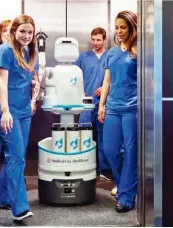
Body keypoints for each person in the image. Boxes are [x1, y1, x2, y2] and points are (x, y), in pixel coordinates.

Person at [0, 14, 38, 221]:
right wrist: (5, 111)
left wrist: (32, 96)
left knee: (15, 157)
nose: (27, 35)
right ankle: (19, 208)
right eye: (23, 31)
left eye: (30, 32)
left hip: (23, 112)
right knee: (17, 157)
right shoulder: (5, 51)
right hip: (8, 113)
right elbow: (1, 83)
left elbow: (32, 79)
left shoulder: (27, 51)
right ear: (14, 31)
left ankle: (1, 197)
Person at [98, 10, 137, 213]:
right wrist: (101, 104)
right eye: (117, 27)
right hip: (113, 107)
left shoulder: (138, 51)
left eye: (123, 27)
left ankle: (127, 197)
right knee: (110, 149)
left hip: (133, 108)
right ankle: (125, 186)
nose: (119, 31)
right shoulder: (112, 52)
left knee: (131, 152)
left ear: (131, 28)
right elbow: (107, 80)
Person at [74, 27, 112, 181]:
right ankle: (84, 165)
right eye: (93, 39)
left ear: (104, 40)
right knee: (84, 134)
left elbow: (114, 77)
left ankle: (104, 169)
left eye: (98, 40)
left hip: (105, 103)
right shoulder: (83, 57)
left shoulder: (110, 56)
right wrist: (79, 92)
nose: (95, 43)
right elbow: (75, 77)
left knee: (104, 136)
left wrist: (104, 88)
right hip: (86, 103)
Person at [0, 19, 12, 178]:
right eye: (6, 31)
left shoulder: (18, 54)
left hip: (10, 107)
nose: (8, 35)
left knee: (12, 153)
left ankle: (3, 193)